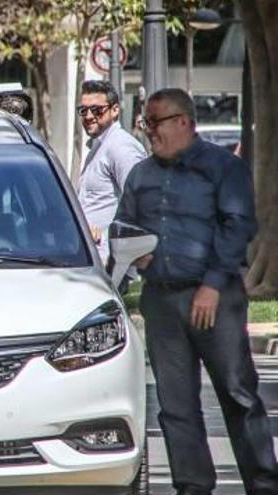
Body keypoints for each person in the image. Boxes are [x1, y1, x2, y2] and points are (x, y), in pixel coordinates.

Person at [116, 88, 278, 495]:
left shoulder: (223, 167)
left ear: (184, 122)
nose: (149, 131)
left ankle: (263, 483)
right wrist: (134, 254)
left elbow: (238, 225)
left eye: (156, 122)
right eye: (145, 122)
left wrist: (212, 284)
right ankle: (192, 486)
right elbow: (125, 225)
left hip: (216, 298)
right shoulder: (141, 174)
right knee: (175, 405)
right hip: (163, 300)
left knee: (238, 394)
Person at [76, 80, 147, 259]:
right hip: (92, 258)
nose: (89, 116)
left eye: (97, 110)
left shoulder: (120, 147)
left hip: (111, 261)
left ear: (115, 110)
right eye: (83, 111)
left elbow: (142, 203)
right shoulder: (99, 147)